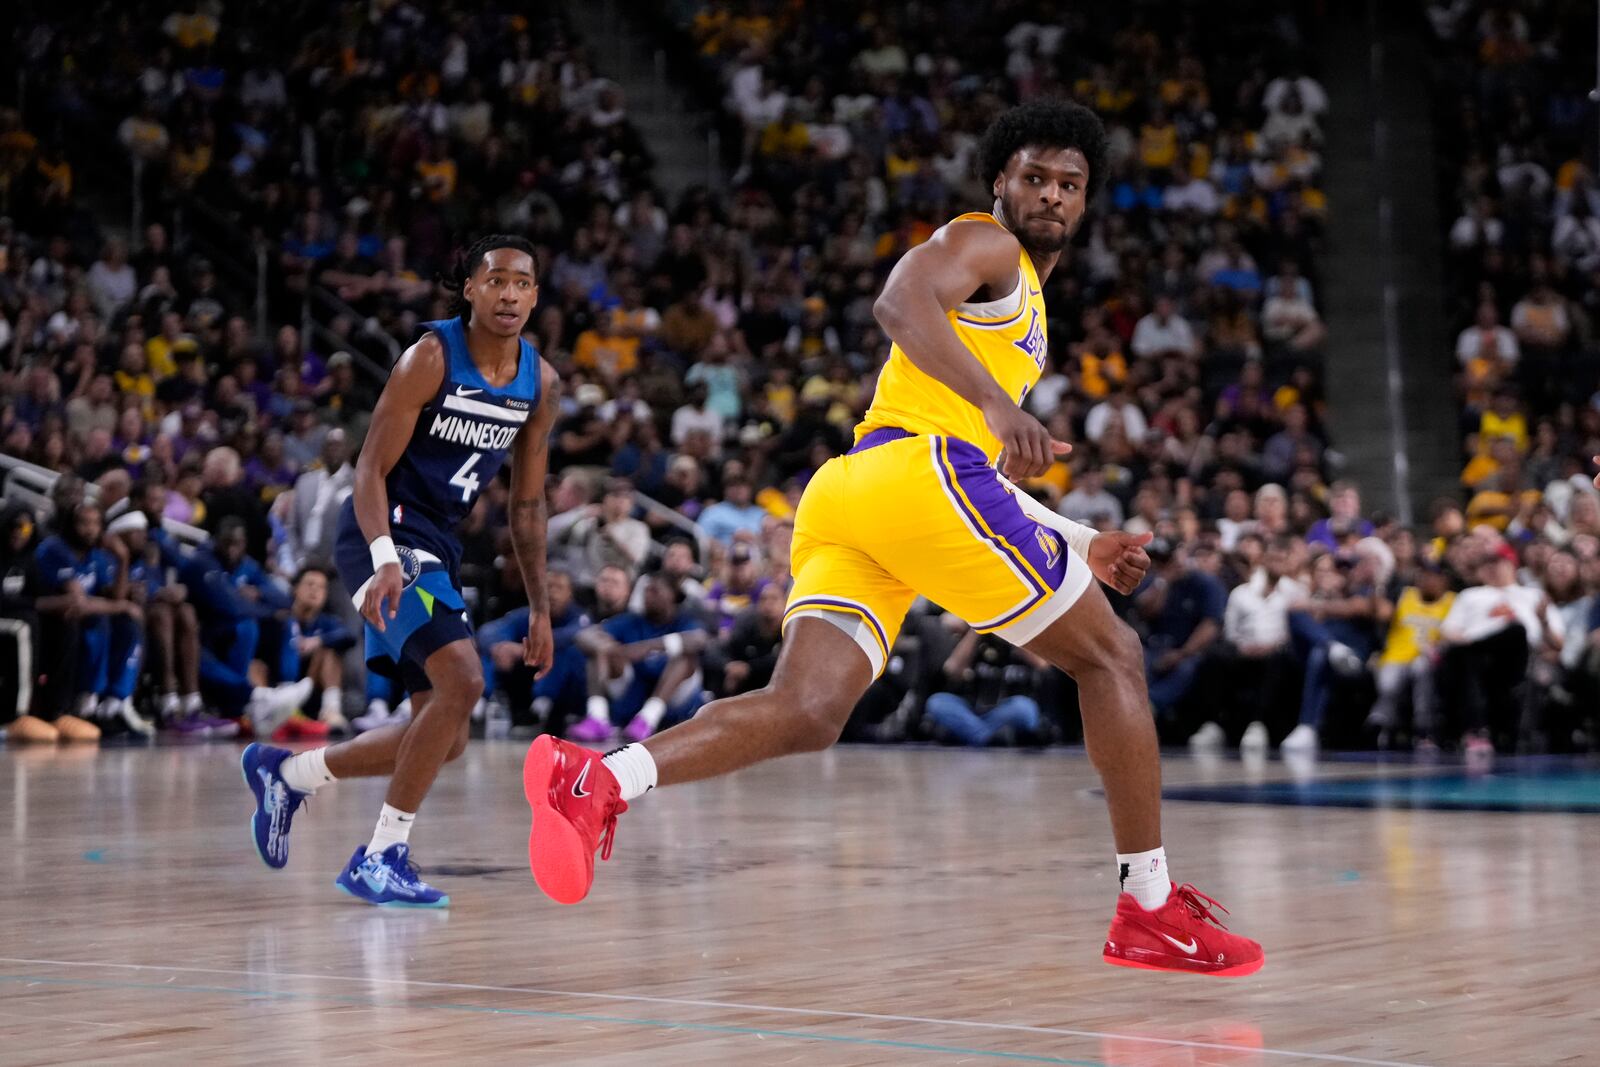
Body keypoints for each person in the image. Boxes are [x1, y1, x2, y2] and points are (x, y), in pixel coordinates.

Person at [523, 101, 1262, 976]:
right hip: (917, 478)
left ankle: (600, 782)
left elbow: (956, 451)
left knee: (807, 710)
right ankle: (1149, 907)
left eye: (1071, 184)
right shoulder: (987, 243)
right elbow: (900, 299)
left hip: (856, 493)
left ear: (1088, 199)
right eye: (1035, 177)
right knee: (1113, 659)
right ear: (1001, 181)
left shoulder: (1028, 302)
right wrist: (997, 402)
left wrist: (1081, 534)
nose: (1052, 196)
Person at [242, 235, 559, 908]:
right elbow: (369, 470)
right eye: (495, 281)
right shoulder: (431, 356)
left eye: (521, 284)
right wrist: (385, 555)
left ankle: (288, 774)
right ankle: (382, 854)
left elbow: (527, 506)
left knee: (440, 740)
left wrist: (540, 605)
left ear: (535, 295)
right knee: (464, 681)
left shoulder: (541, 381)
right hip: (379, 535)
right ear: (469, 288)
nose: (507, 294)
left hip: (435, 545)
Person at [279, 566, 356, 733]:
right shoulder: (280, 617)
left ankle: (331, 710)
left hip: (311, 692)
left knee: (329, 651)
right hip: (279, 690)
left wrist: (318, 641)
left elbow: (349, 636)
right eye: (310, 584)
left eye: (321, 587)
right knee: (256, 664)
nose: (315, 590)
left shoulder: (327, 622)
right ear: (295, 588)